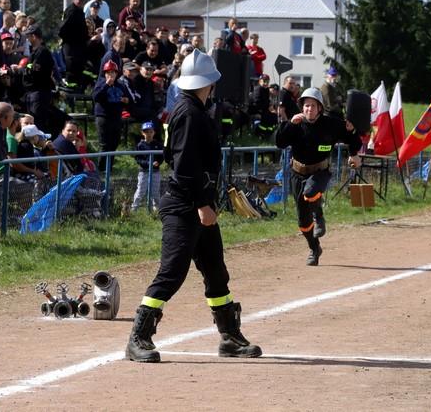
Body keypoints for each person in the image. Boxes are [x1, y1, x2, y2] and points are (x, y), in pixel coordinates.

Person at [126, 48, 262, 362]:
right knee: (172, 271)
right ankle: (138, 338)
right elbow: (185, 164)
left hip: (197, 201)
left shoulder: (192, 110)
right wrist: (202, 204)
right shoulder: (189, 112)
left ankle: (230, 338)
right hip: (184, 205)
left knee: (216, 272)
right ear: (208, 83)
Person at [275, 87, 362, 266]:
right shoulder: (296, 124)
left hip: (320, 171)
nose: (309, 109)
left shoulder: (331, 124)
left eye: (313, 106)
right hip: (297, 174)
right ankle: (314, 248)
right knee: (303, 222)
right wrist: (289, 124)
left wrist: (354, 152)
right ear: (302, 107)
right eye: (306, 105)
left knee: (311, 191)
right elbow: (279, 142)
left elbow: (352, 137)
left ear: (320, 108)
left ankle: (319, 216)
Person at [131, 121, 163, 212]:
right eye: (146, 132)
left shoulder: (158, 144)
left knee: (155, 192)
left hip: (155, 171)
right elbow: (138, 159)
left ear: (154, 132)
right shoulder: (140, 145)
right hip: (144, 172)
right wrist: (148, 163)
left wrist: (158, 162)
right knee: (140, 191)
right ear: (142, 133)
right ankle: (134, 209)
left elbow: (161, 157)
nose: (148, 134)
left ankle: (156, 210)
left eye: (150, 132)